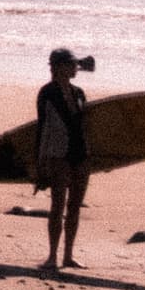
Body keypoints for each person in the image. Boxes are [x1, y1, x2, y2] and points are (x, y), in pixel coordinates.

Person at [34, 46, 94, 272]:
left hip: (81, 154)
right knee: (57, 206)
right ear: (58, 67)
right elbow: (42, 128)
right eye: (71, 64)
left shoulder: (79, 93)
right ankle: (52, 257)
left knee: (75, 206)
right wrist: (40, 162)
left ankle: (68, 256)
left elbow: (85, 126)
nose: (75, 67)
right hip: (59, 155)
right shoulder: (47, 93)